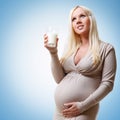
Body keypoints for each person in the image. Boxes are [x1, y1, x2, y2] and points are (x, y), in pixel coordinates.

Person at [44, 5, 117, 120]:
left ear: (91, 19)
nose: (78, 21)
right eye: (73, 19)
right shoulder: (70, 47)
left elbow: (108, 85)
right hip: (60, 112)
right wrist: (53, 53)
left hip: (84, 111)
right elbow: (59, 79)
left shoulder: (107, 49)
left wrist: (82, 106)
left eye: (82, 16)